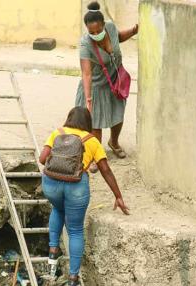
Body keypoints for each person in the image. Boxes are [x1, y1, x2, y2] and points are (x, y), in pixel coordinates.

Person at [39, 107, 129, 286]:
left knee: (57, 208)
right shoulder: (92, 141)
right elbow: (105, 170)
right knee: (75, 230)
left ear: (69, 118)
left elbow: (42, 159)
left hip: (51, 185)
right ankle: (73, 278)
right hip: (76, 188)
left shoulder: (58, 133)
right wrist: (118, 196)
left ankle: (53, 251)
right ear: (88, 123)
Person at [75, 1, 138, 172]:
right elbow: (86, 74)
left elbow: (119, 37)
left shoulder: (110, 28)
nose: (95, 34)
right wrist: (88, 100)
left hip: (115, 81)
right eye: (91, 32)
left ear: (103, 25)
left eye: (98, 30)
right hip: (96, 86)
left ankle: (114, 142)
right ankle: (96, 156)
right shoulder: (85, 45)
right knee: (96, 123)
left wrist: (133, 31)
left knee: (118, 115)